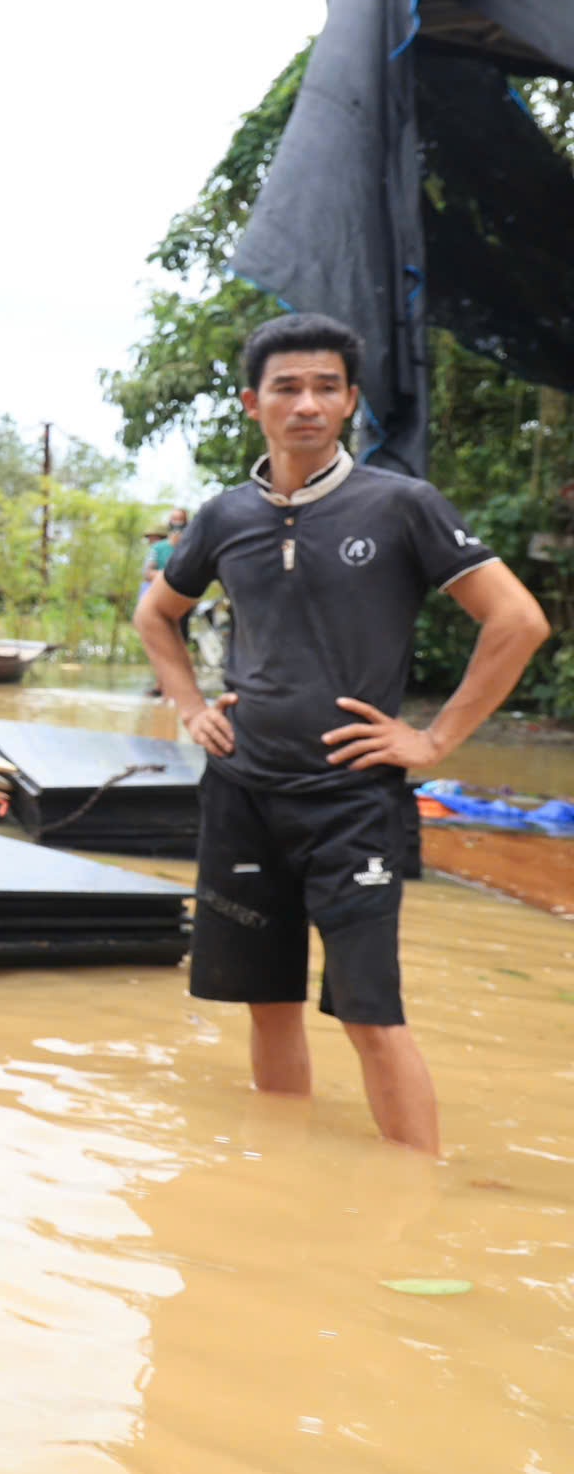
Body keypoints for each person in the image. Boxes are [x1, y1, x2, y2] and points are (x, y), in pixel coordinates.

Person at [134, 312, 548, 1155]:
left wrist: (431, 742)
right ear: (254, 403)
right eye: (287, 387)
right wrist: (191, 708)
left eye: (328, 386)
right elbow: (157, 614)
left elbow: (517, 621)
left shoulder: (402, 505)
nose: (308, 404)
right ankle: (288, 1182)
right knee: (269, 999)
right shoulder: (224, 517)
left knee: (370, 1011)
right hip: (245, 791)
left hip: (352, 801)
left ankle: (412, 1202)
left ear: (352, 400)